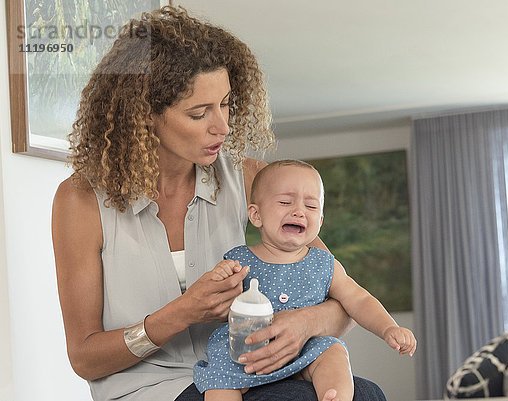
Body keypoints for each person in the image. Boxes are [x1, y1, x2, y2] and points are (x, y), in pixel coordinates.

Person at [51, 6, 387, 401]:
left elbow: (335, 288)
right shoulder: (81, 201)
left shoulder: (247, 178)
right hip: (152, 389)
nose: (223, 126)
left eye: (226, 104)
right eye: (199, 113)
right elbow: (85, 358)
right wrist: (180, 314)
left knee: (366, 394)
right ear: (144, 116)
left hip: (249, 375)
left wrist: (305, 322)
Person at [194, 160, 418, 401]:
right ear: (256, 215)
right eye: (285, 202)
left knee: (332, 352)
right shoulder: (238, 259)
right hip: (247, 350)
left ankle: (334, 397)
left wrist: (388, 328)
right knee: (220, 377)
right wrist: (220, 278)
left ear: (320, 221)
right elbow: (218, 299)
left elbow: (359, 298)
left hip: (304, 349)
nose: (299, 211)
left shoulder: (324, 264)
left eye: (311, 206)